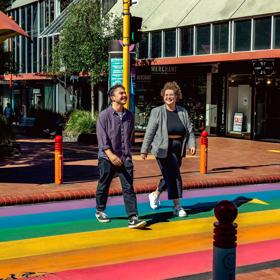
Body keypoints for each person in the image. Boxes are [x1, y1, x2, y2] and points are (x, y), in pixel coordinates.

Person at [141, 81, 196, 217]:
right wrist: (144, 149)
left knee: (169, 174)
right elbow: (150, 132)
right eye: (166, 95)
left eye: (171, 95)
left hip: (178, 147)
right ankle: (177, 206)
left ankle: (155, 194)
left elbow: (189, 130)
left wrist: (192, 144)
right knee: (174, 175)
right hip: (162, 148)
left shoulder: (182, 111)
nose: (168, 97)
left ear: (176, 96)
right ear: (163, 96)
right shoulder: (157, 111)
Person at [95, 84, 146, 229]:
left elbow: (129, 138)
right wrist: (110, 155)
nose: (124, 95)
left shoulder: (130, 115)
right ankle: (100, 210)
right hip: (107, 157)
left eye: (125, 93)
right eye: (121, 93)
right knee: (104, 184)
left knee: (128, 187)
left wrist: (127, 155)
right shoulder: (104, 116)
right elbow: (102, 139)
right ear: (112, 97)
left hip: (125, 158)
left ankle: (133, 217)